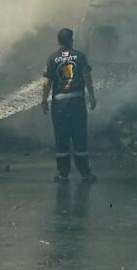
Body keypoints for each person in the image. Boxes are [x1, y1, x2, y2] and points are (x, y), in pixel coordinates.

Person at [40, 27, 97, 182]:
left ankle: (63, 174)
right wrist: (92, 97)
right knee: (80, 138)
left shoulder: (52, 58)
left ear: (59, 41)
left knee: (61, 139)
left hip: (59, 106)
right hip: (77, 103)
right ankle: (85, 173)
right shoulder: (80, 56)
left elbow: (47, 83)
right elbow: (87, 77)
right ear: (71, 40)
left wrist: (44, 100)